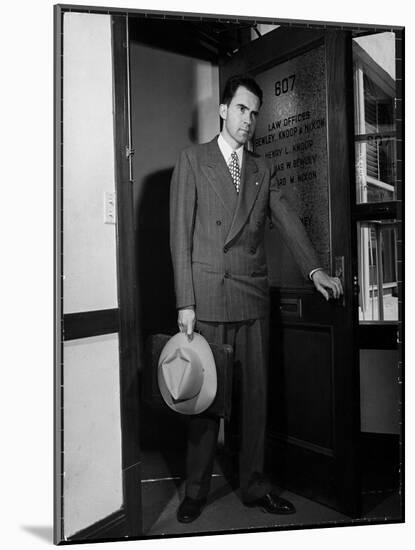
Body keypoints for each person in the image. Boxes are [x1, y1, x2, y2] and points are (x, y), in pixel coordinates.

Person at [169, 74, 343, 523]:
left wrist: (316, 268)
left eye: (254, 113)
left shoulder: (262, 169)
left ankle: (254, 486)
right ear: (224, 110)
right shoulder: (193, 160)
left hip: (250, 297)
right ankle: (195, 491)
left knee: (255, 401)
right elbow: (179, 238)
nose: (249, 120)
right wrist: (185, 303)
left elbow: (286, 220)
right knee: (205, 402)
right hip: (207, 297)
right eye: (242, 109)